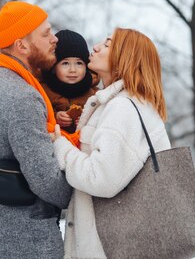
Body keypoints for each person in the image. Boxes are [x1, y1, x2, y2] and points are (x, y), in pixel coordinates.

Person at [0, 1, 73, 259]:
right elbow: (48, 183)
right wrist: (87, 180)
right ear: (22, 45)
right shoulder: (22, 97)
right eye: (46, 34)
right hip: (20, 245)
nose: (54, 40)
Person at [51, 27, 172, 259]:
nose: (95, 47)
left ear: (123, 58)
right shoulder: (117, 103)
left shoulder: (123, 107)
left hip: (108, 248)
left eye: (107, 44)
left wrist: (60, 146)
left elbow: (101, 179)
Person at [41, 29, 98, 134]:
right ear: (53, 67)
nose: (73, 69)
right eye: (65, 63)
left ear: (86, 66)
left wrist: (86, 121)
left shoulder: (95, 95)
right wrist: (55, 116)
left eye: (79, 63)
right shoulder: (43, 91)